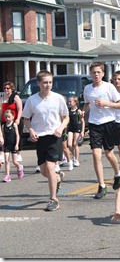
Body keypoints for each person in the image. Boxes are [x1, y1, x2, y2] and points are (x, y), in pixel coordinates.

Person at [22, 70, 69, 211]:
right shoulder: (32, 100)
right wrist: (31, 130)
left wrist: (60, 128)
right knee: (43, 171)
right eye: (45, 82)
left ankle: (53, 199)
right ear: (38, 83)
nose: (48, 85)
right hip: (40, 137)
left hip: (54, 136)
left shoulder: (58, 98)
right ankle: (58, 177)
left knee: (50, 165)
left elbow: (66, 117)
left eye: (50, 82)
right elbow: (26, 118)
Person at [83, 62, 120, 199]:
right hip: (94, 124)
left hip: (108, 122)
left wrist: (106, 103)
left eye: (98, 72)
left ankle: (118, 174)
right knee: (96, 154)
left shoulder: (109, 87)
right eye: (93, 72)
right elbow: (87, 104)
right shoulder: (87, 89)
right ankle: (101, 186)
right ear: (90, 73)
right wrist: (83, 111)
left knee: (109, 154)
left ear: (103, 74)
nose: (96, 74)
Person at [0, 82, 23, 163]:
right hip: (4, 120)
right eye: (5, 88)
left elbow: (20, 109)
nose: (6, 90)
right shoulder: (2, 98)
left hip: (15, 120)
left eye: (8, 88)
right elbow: (1, 111)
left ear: (12, 89)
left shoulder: (15, 97)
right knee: (3, 137)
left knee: (17, 136)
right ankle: (2, 154)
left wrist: (18, 119)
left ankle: (19, 153)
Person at [2, 109, 23, 182]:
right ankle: (7, 175)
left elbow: (17, 135)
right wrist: (2, 144)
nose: (7, 119)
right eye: (6, 117)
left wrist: (17, 144)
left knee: (14, 161)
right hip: (6, 145)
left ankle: (19, 166)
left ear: (13, 117)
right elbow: (4, 136)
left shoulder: (14, 125)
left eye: (9, 117)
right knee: (7, 160)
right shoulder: (3, 126)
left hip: (13, 145)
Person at [67, 96, 85, 167]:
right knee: (69, 144)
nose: (69, 103)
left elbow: (82, 121)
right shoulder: (68, 110)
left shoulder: (78, 111)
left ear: (75, 102)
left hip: (77, 128)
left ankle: (76, 160)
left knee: (75, 144)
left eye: (70, 101)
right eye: (68, 101)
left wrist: (82, 131)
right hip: (70, 128)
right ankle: (74, 155)